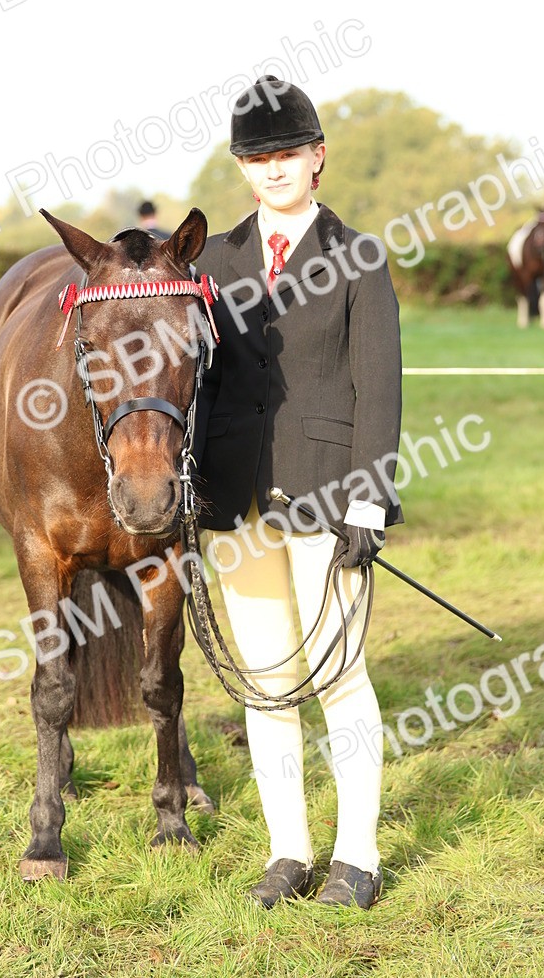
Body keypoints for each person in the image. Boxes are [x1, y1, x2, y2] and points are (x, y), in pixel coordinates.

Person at [194, 75, 403, 910]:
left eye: (287, 153)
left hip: (328, 492)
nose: (273, 169)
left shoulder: (360, 256)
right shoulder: (211, 259)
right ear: (243, 167)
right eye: (257, 157)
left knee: (338, 673)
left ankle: (359, 855)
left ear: (317, 157)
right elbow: (195, 379)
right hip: (234, 500)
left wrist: (369, 500)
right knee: (267, 680)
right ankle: (289, 852)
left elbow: (378, 386)